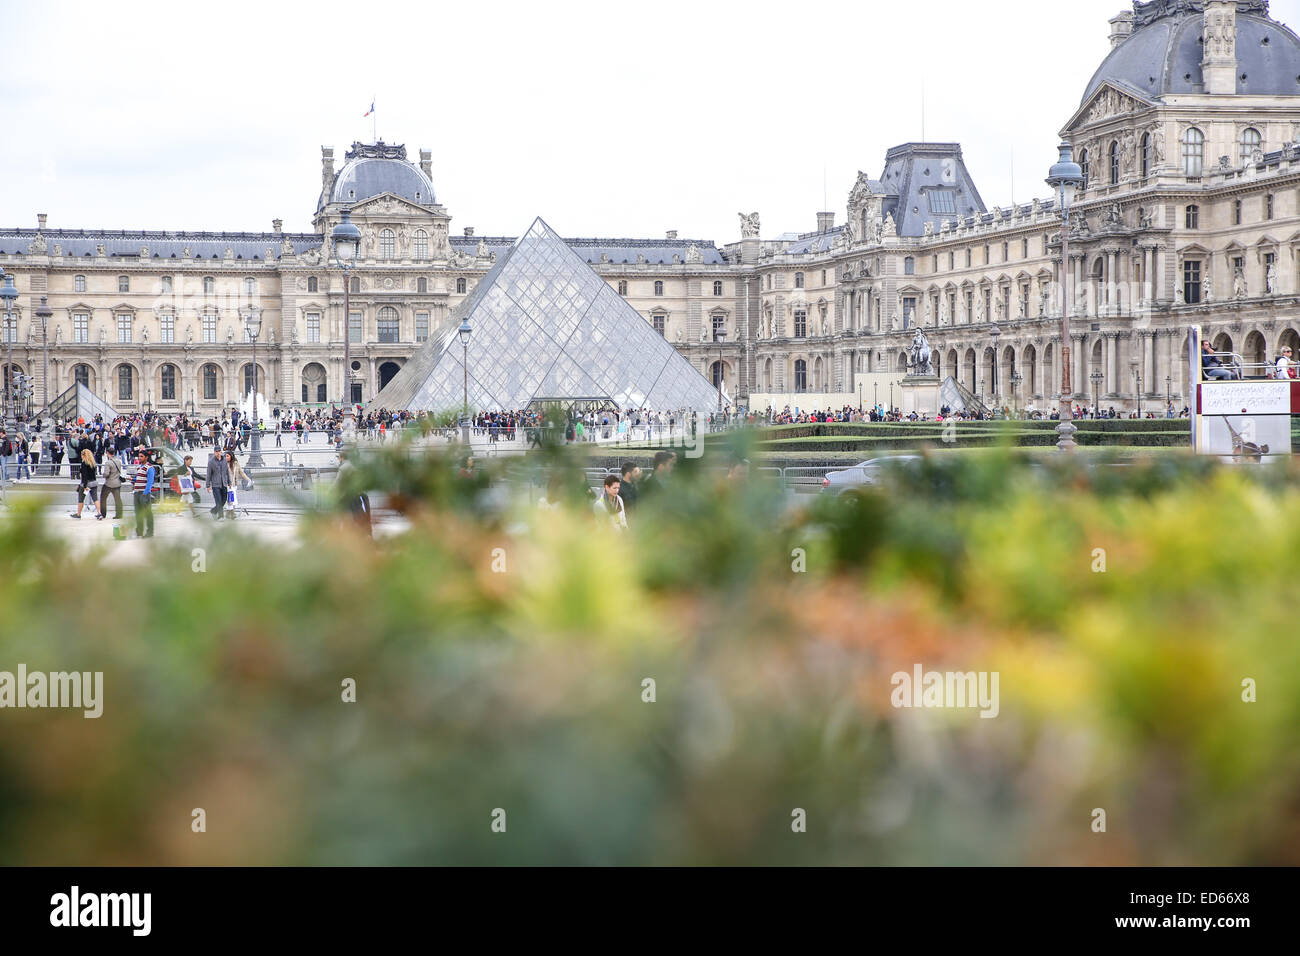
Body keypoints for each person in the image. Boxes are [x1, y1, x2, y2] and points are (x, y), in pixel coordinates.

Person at [70, 448, 103, 519]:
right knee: (95, 498)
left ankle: (78, 514)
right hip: (94, 483)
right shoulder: (93, 463)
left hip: (86, 484)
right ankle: (99, 513)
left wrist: (84, 486)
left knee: (81, 499)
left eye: (82, 455)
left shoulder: (84, 463)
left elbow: (84, 476)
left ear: (84, 455)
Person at [132, 451, 157, 538]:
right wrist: (132, 479)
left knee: (147, 513)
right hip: (137, 492)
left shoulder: (149, 468)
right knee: (138, 513)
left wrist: (145, 493)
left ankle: (150, 532)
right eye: (139, 456)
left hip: (144, 493)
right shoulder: (139, 467)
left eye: (141, 456)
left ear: (146, 457)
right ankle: (139, 531)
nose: (139, 458)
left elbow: (150, 482)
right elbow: (139, 479)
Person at [99, 446, 125, 520]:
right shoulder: (119, 461)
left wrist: (103, 475)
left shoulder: (108, 463)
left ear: (107, 453)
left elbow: (106, 474)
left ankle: (103, 514)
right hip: (117, 483)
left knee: (103, 498)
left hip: (109, 483)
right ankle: (119, 514)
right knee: (118, 500)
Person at [207, 446, 231, 519]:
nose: (218, 453)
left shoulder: (224, 460)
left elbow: (227, 472)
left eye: (219, 451)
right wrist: (208, 485)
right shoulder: (211, 462)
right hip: (215, 484)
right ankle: (221, 516)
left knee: (223, 500)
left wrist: (229, 482)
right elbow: (209, 474)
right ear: (214, 452)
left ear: (221, 452)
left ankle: (213, 511)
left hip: (224, 483)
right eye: (216, 452)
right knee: (218, 501)